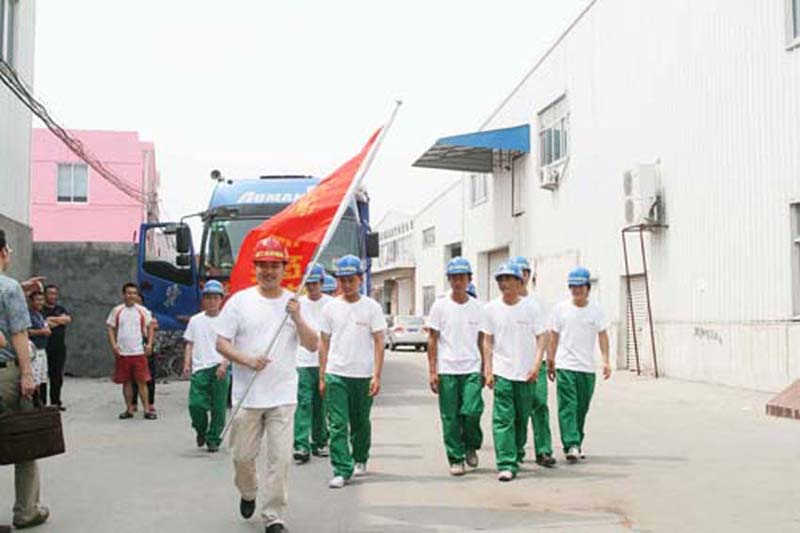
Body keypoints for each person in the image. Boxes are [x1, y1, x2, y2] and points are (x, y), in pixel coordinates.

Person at [215, 236, 317, 533]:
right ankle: (248, 492)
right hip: (247, 397)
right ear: (255, 267)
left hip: (282, 396)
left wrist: (298, 318)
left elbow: (312, 344)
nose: (269, 271)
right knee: (242, 458)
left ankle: (273, 515)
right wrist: (247, 360)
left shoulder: (294, 303)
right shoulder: (239, 302)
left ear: (284, 268)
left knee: (280, 460)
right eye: (263, 265)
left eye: (275, 265)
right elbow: (221, 343)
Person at [319, 254, 386, 489]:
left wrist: (376, 375)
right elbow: (324, 342)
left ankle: (360, 457)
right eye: (343, 280)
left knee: (360, 422)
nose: (347, 285)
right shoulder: (330, 308)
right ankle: (341, 469)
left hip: (363, 375)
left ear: (360, 279)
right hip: (336, 374)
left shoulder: (372, 308)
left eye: (351, 280)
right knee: (337, 424)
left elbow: (379, 341)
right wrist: (322, 375)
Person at [0, 229, 50, 528]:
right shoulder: (8, 289)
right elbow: (19, 333)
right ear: (3, 252)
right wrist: (28, 375)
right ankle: (26, 511)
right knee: (24, 441)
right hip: (5, 375)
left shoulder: (12, 288)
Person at [481, 262, 548, 482]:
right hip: (502, 373)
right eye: (501, 279)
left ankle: (516, 450)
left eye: (509, 279)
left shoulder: (532, 308)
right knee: (503, 419)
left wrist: (537, 365)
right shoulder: (491, 309)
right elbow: (487, 340)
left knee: (521, 418)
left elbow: (542, 337)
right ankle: (506, 463)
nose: (504, 283)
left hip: (526, 374)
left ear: (520, 282)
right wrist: (488, 370)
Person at [426, 257, 485, 476]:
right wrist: (432, 371)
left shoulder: (478, 307)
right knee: (450, 417)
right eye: (454, 278)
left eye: (462, 277)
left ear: (469, 279)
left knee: (472, 411)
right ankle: (456, 457)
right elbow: (432, 339)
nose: (458, 282)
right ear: (449, 280)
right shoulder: (440, 306)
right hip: (447, 370)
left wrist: (486, 368)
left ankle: (471, 445)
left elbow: (483, 340)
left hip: (472, 369)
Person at [547, 266, 611, 463]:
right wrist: (551, 360)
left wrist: (606, 361)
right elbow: (553, 336)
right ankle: (571, 443)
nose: (576, 290)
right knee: (568, 406)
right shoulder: (560, 309)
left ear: (588, 288)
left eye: (580, 287)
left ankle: (576, 442)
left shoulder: (596, 310)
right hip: (565, 365)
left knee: (581, 408)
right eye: (573, 287)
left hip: (587, 368)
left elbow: (602, 336)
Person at [509, 256, 556, 468]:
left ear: (528, 275)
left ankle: (544, 450)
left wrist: (549, 359)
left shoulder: (539, 303)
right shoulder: (503, 303)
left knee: (539, 404)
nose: (520, 277)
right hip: (512, 366)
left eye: (523, 273)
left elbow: (547, 333)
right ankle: (516, 450)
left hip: (537, 363)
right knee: (516, 410)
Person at [182, 280, 229, 453]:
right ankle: (201, 430)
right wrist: (187, 364)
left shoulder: (227, 320)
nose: (211, 301)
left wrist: (224, 364)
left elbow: (230, 345)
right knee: (196, 405)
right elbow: (190, 344)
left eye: (215, 297)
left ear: (221, 299)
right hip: (200, 369)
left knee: (218, 407)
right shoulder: (195, 321)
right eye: (208, 297)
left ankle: (213, 439)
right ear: (203, 300)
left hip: (219, 367)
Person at [293, 263, 333, 464]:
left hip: (326, 361)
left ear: (322, 283)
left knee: (321, 404)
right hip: (303, 361)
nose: (311, 287)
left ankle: (319, 441)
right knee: (303, 402)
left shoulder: (331, 304)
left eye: (315, 283)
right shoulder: (298, 304)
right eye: (308, 284)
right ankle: (301, 444)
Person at [106, 282, 156, 420]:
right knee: (126, 382)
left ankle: (147, 410)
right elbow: (110, 327)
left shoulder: (142, 311)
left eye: (134, 293)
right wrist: (114, 345)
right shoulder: (117, 310)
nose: (131, 296)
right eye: (129, 293)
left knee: (142, 382)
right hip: (123, 352)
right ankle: (129, 409)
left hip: (139, 352)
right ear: (124, 294)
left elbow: (151, 327)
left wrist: (149, 344)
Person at [42, 285, 70, 410]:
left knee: (57, 376)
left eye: (55, 293)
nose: (53, 296)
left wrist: (51, 319)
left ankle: (55, 402)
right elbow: (43, 324)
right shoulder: (41, 309)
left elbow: (67, 319)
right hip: (43, 348)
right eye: (50, 293)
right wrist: (58, 320)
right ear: (45, 295)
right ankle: (41, 404)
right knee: (41, 377)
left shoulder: (60, 309)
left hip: (59, 348)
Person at [131, 292, 157, 415]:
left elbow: (154, 326)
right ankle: (133, 403)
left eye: (138, 301)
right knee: (132, 377)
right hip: (131, 346)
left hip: (145, 344)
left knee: (149, 376)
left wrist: (149, 344)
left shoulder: (147, 313)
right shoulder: (125, 313)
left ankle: (150, 403)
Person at [27, 291, 51, 406]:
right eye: (37, 300)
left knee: (41, 379)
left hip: (42, 349)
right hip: (33, 351)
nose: (40, 302)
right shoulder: (28, 315)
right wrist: (41, 331)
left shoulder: (40, 315)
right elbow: (25, 332)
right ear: (31, 301)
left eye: (42, 300)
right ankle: (32, 403)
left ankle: (40, 402)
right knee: (34, 379)